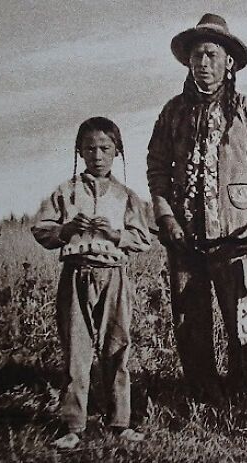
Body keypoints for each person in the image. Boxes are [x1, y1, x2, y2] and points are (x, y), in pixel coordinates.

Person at [146, 13, 247, 407]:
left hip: (238, 238)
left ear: (229, 62)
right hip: (185, 238)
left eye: (210, 55)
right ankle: (204, 394)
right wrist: (166, 216)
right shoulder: (172, 113)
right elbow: (156, 169)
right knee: (191, 322)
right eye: (196, 56)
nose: (202, 63)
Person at [32, 117, 151, 449]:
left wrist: (116, 234)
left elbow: (142, 239)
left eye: (105, 148)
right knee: (76, 352)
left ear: (117, 152)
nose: (97, 155)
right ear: (79, 151)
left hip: (113, 275)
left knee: (117, 347)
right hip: (76, 275)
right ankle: (72, 425)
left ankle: (120, 422)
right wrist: (66, 230)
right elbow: (41, 229)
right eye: (90, 148)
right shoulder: (66, 192)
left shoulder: (126, 196)